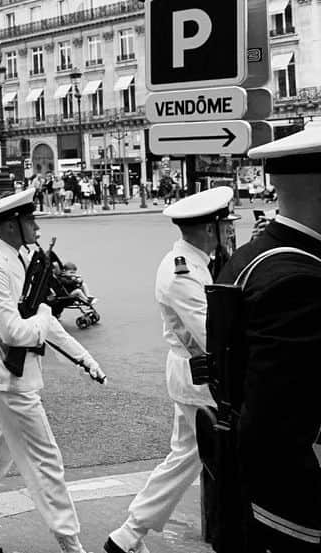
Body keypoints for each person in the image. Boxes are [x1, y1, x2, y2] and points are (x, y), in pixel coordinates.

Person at [0, 188, 106, 553]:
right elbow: (16, 331)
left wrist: (84, 358)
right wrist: (44, 313)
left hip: (13, 375)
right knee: (46, 461)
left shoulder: (20, 258)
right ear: (12, 225)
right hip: (9, 378)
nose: (37, 227)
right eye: (30, 220)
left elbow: (44, 325)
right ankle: (71, 542)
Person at [207, 129, 321, 552]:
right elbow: (277, 432)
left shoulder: (251, 257)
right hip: (289, 520)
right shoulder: (299, 282)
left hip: (246, 500)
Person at [104, 187, 235, 553]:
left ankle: (128, 535)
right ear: (209, 229)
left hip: (194, 374)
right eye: (224, 226)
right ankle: (128, 535)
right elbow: (212, 333)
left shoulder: (194, 263)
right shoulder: (182, 272)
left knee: (185, 456)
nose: (227, 233)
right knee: (195, 456)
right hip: (197, 376)